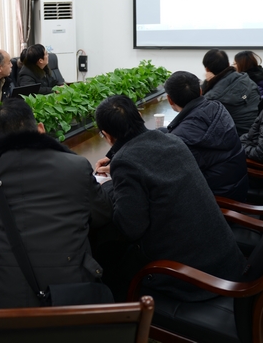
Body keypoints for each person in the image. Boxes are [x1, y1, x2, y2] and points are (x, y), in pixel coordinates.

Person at [94, 95, 246, 302]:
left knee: (106, 256)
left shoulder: (126, 162)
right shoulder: (172, 139)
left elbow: (130, 227)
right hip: (224, 261)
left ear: (106, 135)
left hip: (192, 278)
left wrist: (108, 186)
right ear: (139, 115)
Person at [0, 98, 112, 308]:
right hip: (70, 299)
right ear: (41, 129)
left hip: (1, 303)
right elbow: (103, 214)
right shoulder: (75, 167)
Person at [161, 71, 248, 202]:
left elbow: (172, 178)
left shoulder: (181, 139)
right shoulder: (217, 107)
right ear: (200, 91)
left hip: (216, 201)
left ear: (169, 99)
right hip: (236, 187)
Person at [201, 48, 260, 136]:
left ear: (207, 69)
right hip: (258, 133)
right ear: (228, 64)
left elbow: (200, 111)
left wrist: (207, 83)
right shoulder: (248, 80)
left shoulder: (213, 98)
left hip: (237, 139)